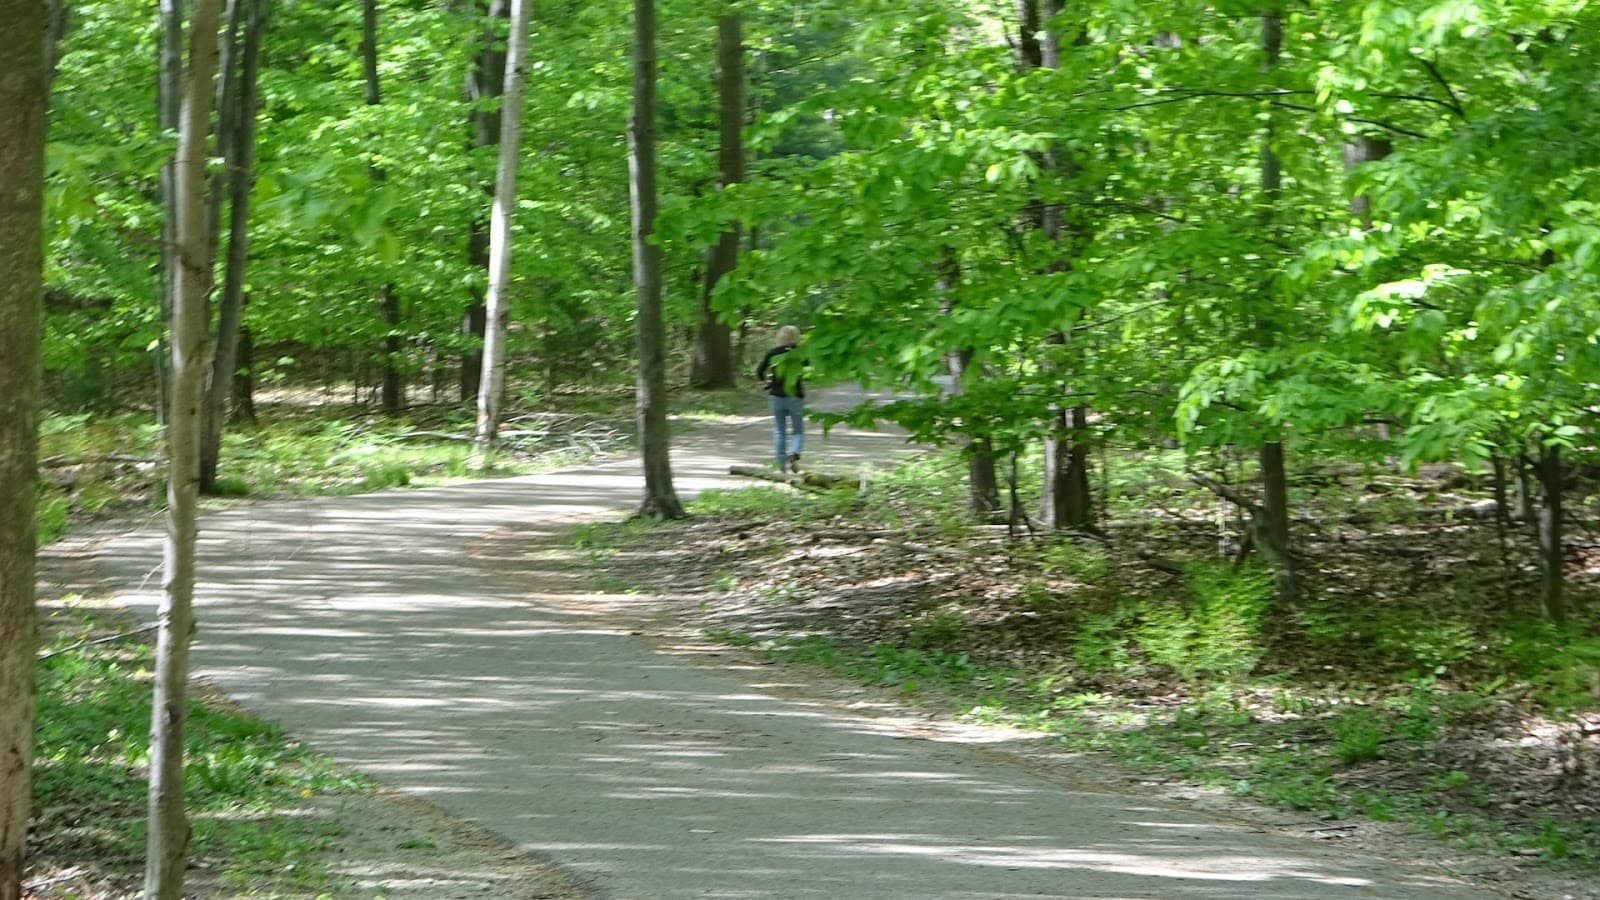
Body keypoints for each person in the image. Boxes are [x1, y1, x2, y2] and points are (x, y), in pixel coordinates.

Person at [756, 325, 805, 472]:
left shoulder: (772, 353)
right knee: (797, 430)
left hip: (776, 395)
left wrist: (766, 382)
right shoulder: (800, 353)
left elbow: (759, 371)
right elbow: (809, 367)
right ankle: (794, 453)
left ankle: (782, 466)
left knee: (779, 431)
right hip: (795, 395)